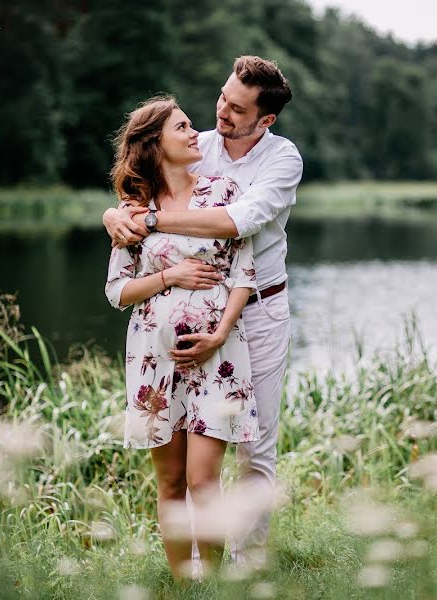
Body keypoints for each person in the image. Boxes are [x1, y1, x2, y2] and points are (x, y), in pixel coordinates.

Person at [103, 55, 301, 561]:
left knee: (254, 448)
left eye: (237, 109)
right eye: (221, 97)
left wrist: (150, 223)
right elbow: (141, 185)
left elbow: (238, 222)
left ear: (265, 119)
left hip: (255, 310)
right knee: (179, 466)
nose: (221, 112)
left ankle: (244, 563)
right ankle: (192, 568)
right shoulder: (198, 146)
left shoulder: (282, 160)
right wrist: (116, 215)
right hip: (173, 327)